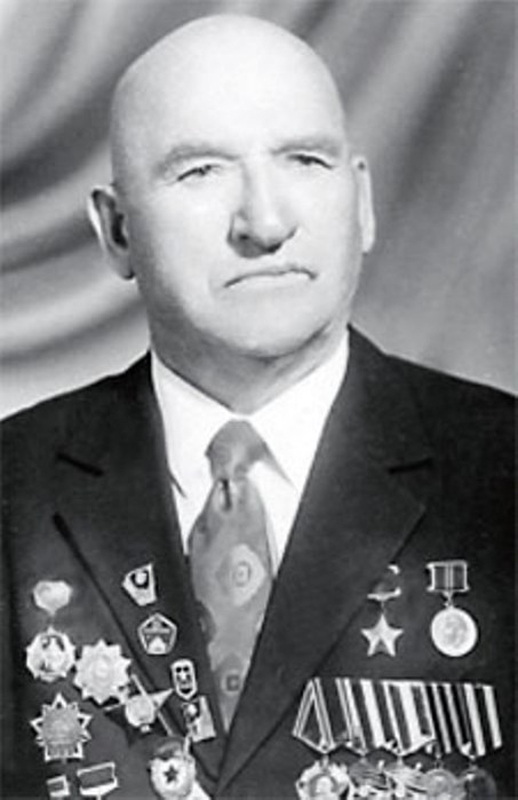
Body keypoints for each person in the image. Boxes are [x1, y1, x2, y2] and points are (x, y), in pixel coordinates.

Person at [1, 14, 514, 800]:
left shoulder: (504, 471)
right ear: (116, 231)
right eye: (200, 172)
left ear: (362, 201)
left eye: (305, 160)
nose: (266, 224)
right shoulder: (13, 490)